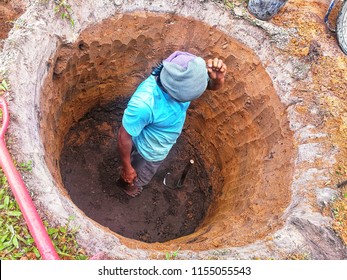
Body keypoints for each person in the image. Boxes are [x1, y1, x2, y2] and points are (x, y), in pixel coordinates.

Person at [117, 51, 227, 197]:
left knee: (134, 159)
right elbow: (123, 136)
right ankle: (127, 187)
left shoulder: (187, 67)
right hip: (149, 151)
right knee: (138, 174)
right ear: (176, 91)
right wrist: (127, 168)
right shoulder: (144, 104)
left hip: (151, 136)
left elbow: (210, 85)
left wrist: (218, 79)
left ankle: (130, 164)